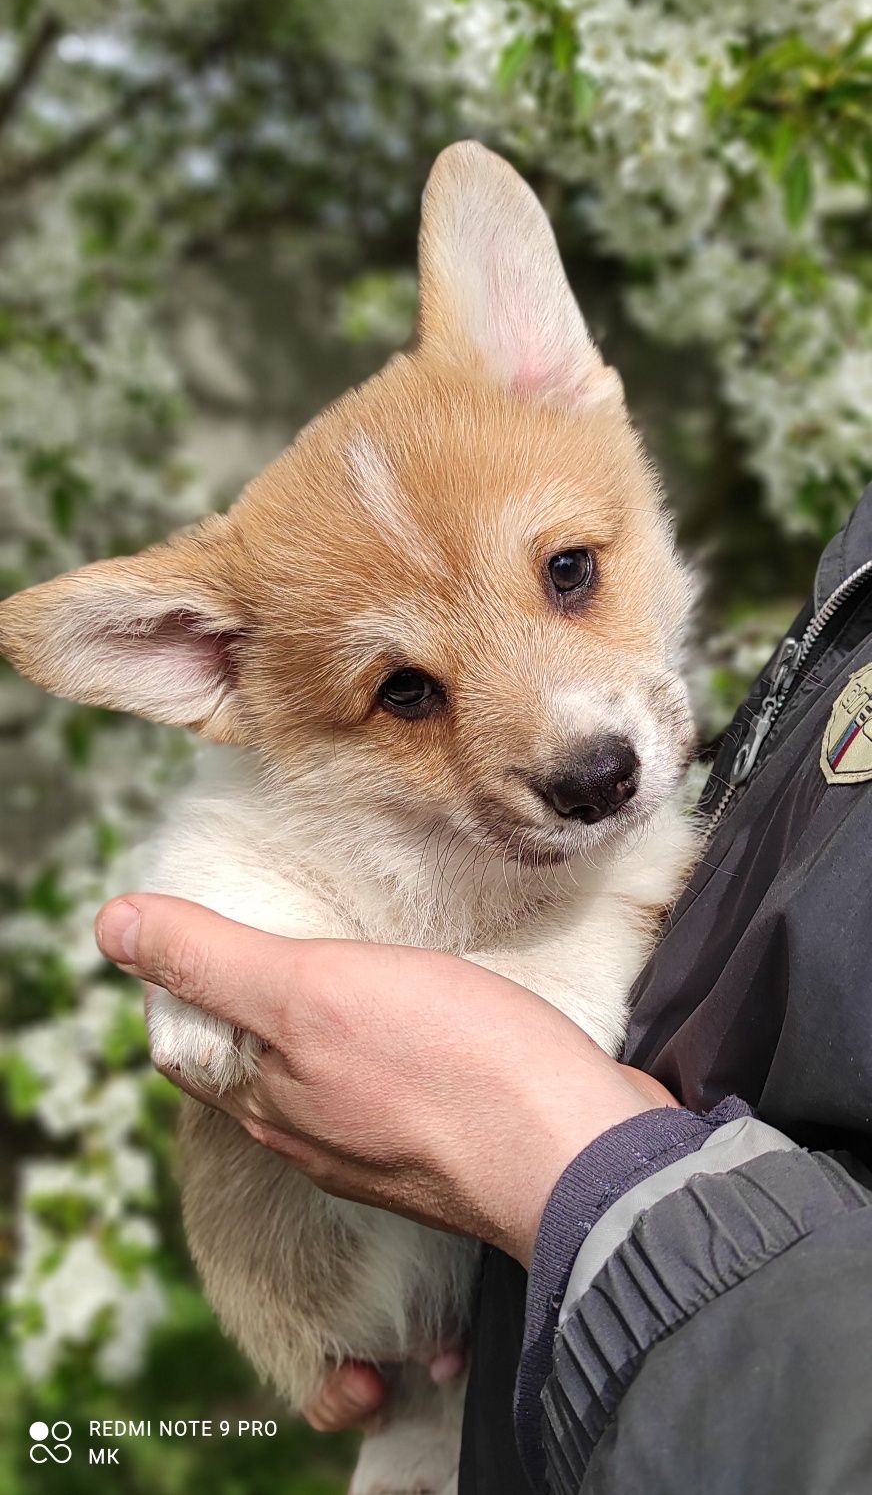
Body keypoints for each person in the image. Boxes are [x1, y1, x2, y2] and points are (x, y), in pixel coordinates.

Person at [96, 484, 872, 1494]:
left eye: (567, 575)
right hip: (563, 1350)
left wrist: (567, 1163)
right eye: (408, 688)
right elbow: (232, 851)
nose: (565, 731)